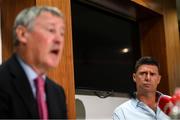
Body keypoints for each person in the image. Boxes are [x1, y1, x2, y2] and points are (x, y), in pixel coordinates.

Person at [0, 6, 67, 119]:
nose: (59, 39)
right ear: (22, 34)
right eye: (51, 30)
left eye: (62, 33)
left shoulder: (58, 92)